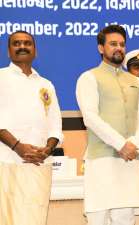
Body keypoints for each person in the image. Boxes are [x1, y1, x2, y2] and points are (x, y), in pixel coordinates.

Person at [75, 25, 139, 225]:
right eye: (113, 44)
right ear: (101, 48)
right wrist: (121, 144)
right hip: (102, 158)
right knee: (98, 217)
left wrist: (134, 143)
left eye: (122, 44)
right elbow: (90, 117)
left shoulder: (135, 80)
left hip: (130, 159)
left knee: (125, 218)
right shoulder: (89, 77)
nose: (119, 48)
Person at [0, 31, 63, 225]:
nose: (22, 47)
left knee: (34, 220)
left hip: (38, 164)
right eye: (16, 43)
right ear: (9, 51)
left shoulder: (46, 84)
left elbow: (55, 125)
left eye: (27, 43)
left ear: (35, 51)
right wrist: (18, 146)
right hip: (6, 161)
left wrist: (47, 149)